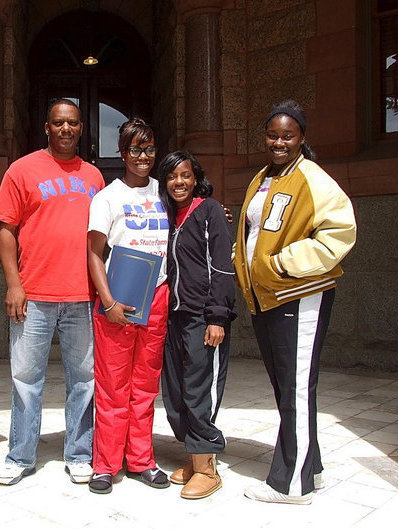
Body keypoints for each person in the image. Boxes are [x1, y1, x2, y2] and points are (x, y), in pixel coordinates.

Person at [233, 100, 356, 505]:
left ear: (302, 137)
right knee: (287, 386)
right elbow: (253, 230)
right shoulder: (264, 177)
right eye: (273, 134)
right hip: (267, 297)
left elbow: (339, 233)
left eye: (288, 135)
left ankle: (291, 484)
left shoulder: (312, 178)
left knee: (297, 387)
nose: (279, 142)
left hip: (298, 295)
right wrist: (244, 262)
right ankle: (311, 468)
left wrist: (282, 265)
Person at [0, 98, 104, 486]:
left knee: (84, 379)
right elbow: (5, 230)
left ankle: (79, 453)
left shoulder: (94, 177)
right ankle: (20, 455)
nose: (66, 130)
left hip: (82, 296)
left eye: (72, 123)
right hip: (34, 294)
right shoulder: (22, 170)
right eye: (59, 123)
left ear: (81, 127)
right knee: (25, 377)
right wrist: (13, 284)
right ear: (47, 127)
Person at [86, 118, 170, 494]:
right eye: (135, 149)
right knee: (113, 384)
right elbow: (93, 253)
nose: (143, 157)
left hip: (158, 295)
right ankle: (105, 464)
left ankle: (141, 459)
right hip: (118, 298)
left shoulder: (164, 192)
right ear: (122, 153)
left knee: (145, 385)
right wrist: (108, 301)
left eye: (149, 149)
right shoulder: (107, 197)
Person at [156, 151, 235, 500]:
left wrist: (217, 315)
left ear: (195, 177)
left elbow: (221, 265)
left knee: (199, 389)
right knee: (175, 392)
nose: (179, 182)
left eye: (186, 175)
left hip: (203, 317)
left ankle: (207, 467)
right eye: (172, 176)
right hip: (174, 316)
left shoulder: (210, 211)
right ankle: (192, 456)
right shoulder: (169, 217)